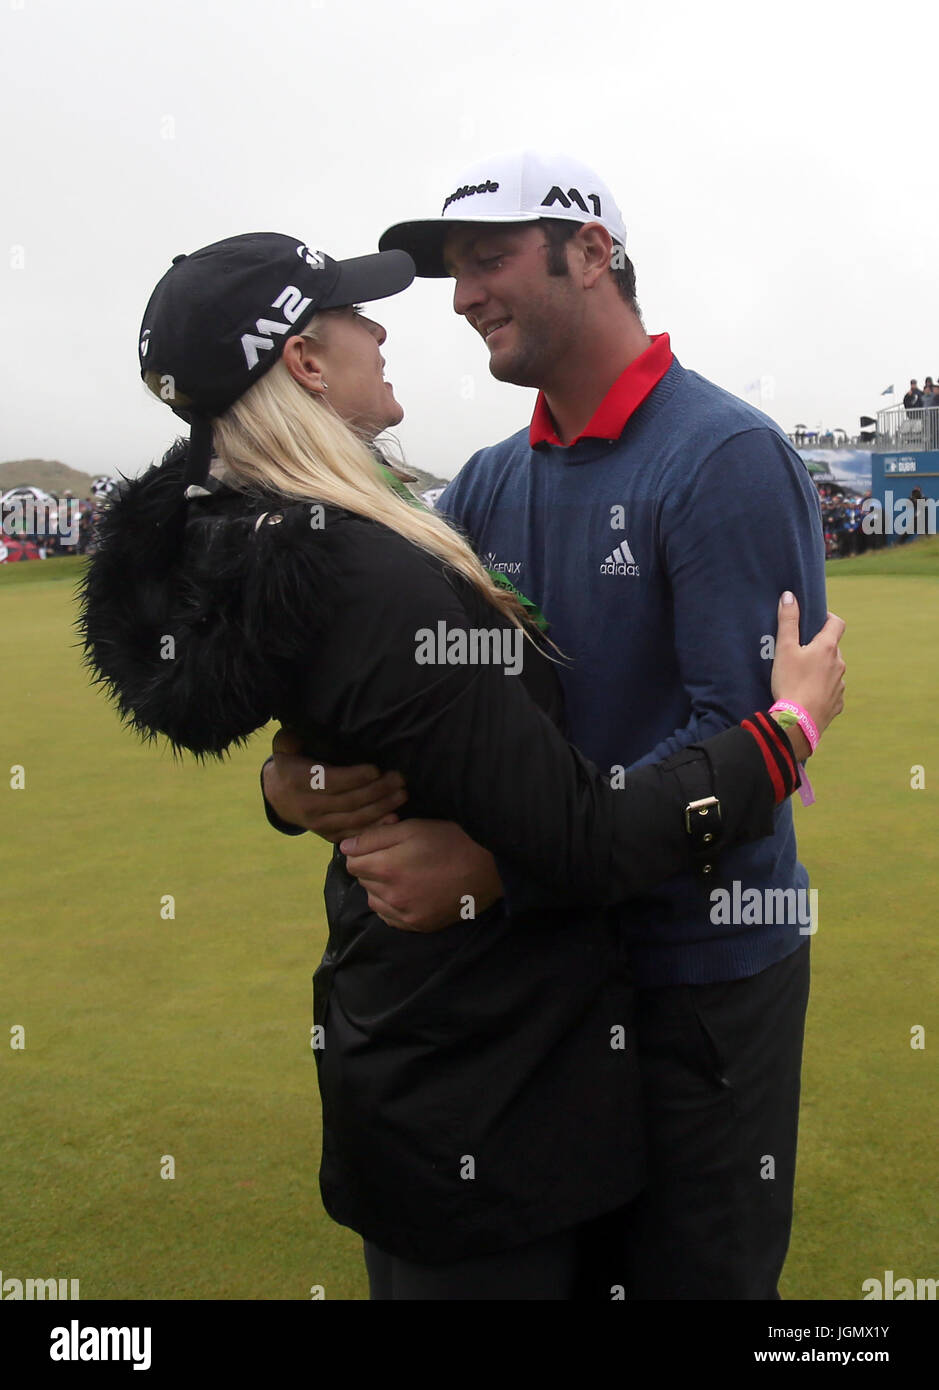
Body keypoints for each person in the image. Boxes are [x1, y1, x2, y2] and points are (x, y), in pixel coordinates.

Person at [80, 230, 845, 1302]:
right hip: (482, 1071)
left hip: (420, 1044)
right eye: (354, 310)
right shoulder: (373, 572)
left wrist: (286, 786)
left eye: (491, 260)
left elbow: (340, 742)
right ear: (303, 362)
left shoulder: (271, 537)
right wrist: (790, 730)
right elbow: (584, 833)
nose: (392, 322)